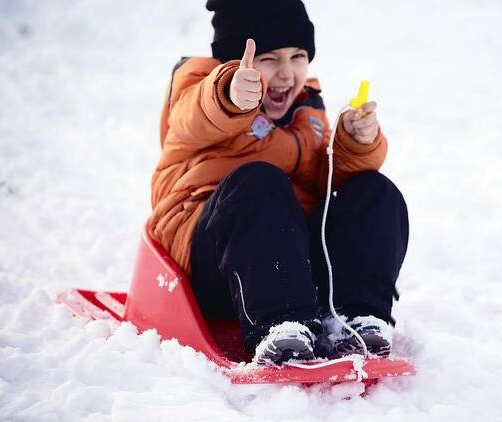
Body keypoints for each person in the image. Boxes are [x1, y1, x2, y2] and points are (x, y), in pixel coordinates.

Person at [149, 0, 408, 365]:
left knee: (374, 193)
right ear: (234, 62)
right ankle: (281, 325)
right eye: (270, 59)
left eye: (298, 56)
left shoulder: (307, 111)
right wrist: (229, 93)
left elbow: (328, 184)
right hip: (216, 261)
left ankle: (354, 318)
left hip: (293, 264)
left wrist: (354, 144)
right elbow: (200, 112)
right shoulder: (199, 90)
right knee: (259, 181)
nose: (287, 74)